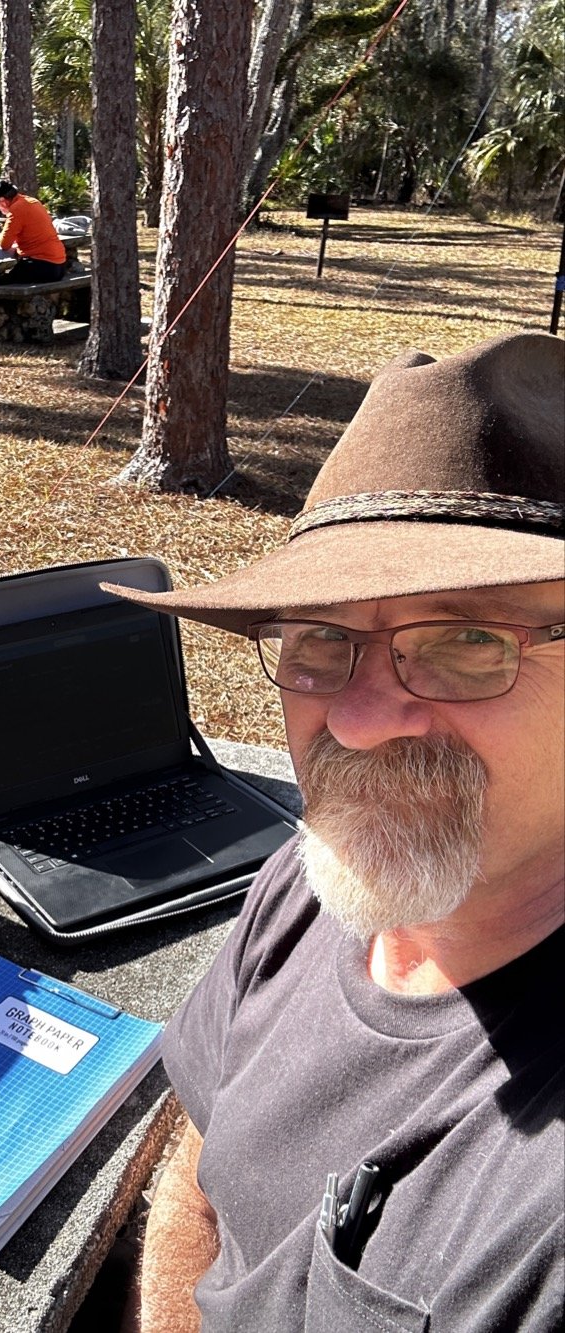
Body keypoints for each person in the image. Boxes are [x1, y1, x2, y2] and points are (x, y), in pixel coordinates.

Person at [103, 330, 565, 1332]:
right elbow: (205, 1153)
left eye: (466, 640)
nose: (354, 721)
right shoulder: (314, 877)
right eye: (320, 639)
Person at [0, 178, 68, 283]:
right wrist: (0, 236)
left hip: (42, 265)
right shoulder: (31, 201)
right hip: (59, 265)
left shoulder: (17, 209)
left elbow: (4, 245)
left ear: (2, 200)